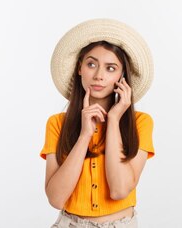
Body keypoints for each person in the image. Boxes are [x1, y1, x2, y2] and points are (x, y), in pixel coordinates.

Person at [40, 19, 155, 228]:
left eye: (111, 68)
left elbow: (120, 190)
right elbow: (56, 199)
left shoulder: (141, 123)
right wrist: (84, 135)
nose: (99, 76)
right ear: (79, 69)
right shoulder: (57, 123)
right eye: (91, 64)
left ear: (122, 77)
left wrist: (113, 120)